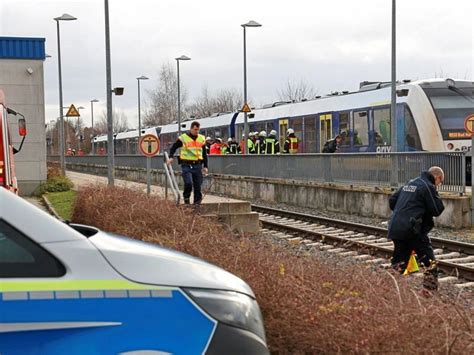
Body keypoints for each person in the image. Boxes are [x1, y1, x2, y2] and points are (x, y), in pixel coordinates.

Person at [388, 166, 445, 291]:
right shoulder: (428, 186)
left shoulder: (410, 183)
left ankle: (390, 290)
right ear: (438, 178)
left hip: (396, 227)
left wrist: (403, 214)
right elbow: (437, 209)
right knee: (430, 264)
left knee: (399, 264)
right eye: (440, 183)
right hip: (414, 231)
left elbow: (392, 200)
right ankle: (429, 295)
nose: (438, 185)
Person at [167, 121, 208, 205]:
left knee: (198, 186)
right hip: (186, 164)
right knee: (188, 183)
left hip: (197, 164)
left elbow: (204, 153)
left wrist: (205, 166)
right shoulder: (183, 138)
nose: (197, 131)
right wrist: (171, 157)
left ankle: (197, 204)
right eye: (195, 129)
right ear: (191, 129)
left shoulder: (201, 138)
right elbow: (173, 148)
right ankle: (186, 198)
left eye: (198, 130)